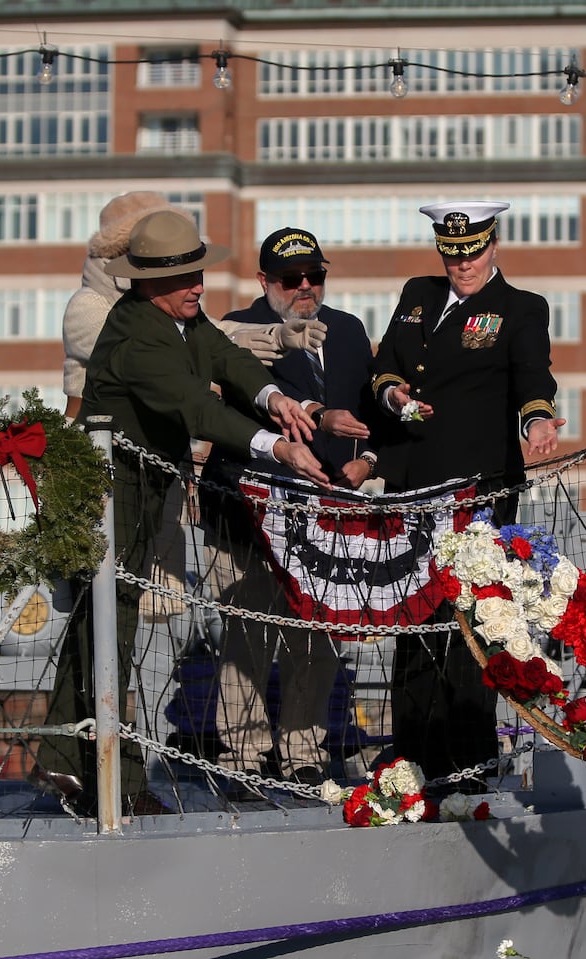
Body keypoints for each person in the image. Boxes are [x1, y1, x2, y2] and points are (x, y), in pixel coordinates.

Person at [33, 209, 330, 817]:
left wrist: (278, 399)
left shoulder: (182, 320)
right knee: (110, 630)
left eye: (199, 271)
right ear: (146, 281)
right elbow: (200, 409)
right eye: (184, 275)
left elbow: (229, 362)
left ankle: (60, 759)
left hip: (141, 486)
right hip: (107, 489)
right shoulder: (138, 335)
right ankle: (123, 783)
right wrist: (277, 445)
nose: (199, 285)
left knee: (100, 624)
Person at [369, 200, 566, 786]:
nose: (463, 266)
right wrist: (395, 398)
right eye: (452, 255)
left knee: (473, 623)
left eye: (473, 253)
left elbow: (535, 376)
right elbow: (385, 369)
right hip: (413, 489)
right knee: (416, 621)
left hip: (476, 496)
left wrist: (538, 420)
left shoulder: (519, 309)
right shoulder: (417, 294)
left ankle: (465, 763)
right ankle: (409, 756)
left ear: (493, 245)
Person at [207, 227, 377, 785]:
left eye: (315, 276)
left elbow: (374, 415)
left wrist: (369, 461)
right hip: (244, 509)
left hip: (326, 514)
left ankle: (303, 752)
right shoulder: (238, 329)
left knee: (318, 637)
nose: (305, 287)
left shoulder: (350, 332)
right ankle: (242, 758)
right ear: (264, 281)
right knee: (247, 636)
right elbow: (226, 370)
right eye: (290, 278)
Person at [61, 191, 327, 422]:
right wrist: (228, 347)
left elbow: (214, 330)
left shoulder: (161, 303)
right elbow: (157, 358)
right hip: (93, 446)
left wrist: (276, 335)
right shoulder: (87, 305)